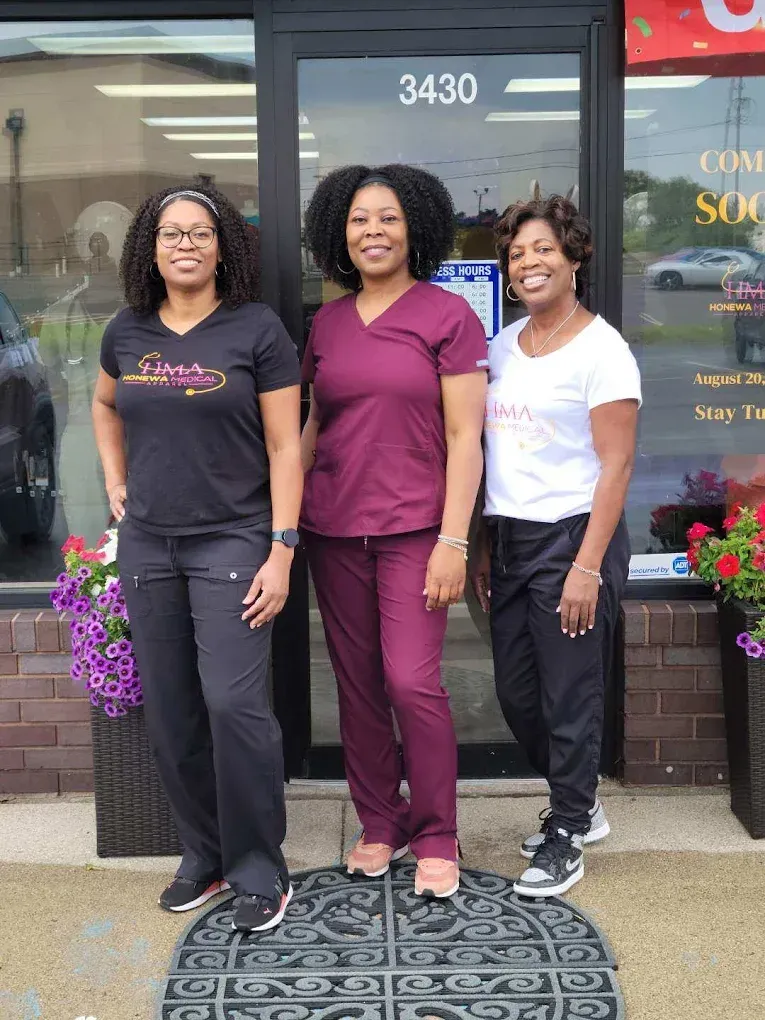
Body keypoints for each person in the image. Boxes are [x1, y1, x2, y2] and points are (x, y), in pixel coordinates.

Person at [92, 184, 302, 933]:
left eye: (199, 232)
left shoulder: (257, 330)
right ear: (150, 247)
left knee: (233, 705)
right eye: (170, 233)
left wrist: (281, 548)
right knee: (174, 709)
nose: (185, 244)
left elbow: (285, 446)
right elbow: (104, 404)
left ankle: (259, 869)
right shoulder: (127, 330)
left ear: (222, 247)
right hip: (149, 543)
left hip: (234, 539)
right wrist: (115, 479)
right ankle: (204, 855)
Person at [300, 164, 488, 899]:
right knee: (358, 686)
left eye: (386, 217)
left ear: (415, 227)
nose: (371, 231)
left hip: (417, 530)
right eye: (357, 219)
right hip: (334, 529)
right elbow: (314, 423)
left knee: (412, 682)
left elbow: (464, 436)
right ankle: (381, 822)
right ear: (338, 235)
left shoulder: (446, 315)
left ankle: (437, 831)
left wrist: (453, 538)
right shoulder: (326, 322)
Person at [471, 195, 641, 898]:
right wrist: (482, 543)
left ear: (573, 258)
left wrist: (585, 567)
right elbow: (489, 454)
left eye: (544, 249)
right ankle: (581, 803)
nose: (529, 262)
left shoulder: (604, 352)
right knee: (517, 696)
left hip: (574, 538)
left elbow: (616, 466)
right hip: (509, 540)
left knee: (569, 697)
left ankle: (566, 830)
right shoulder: (502, 346)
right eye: (517, 253)